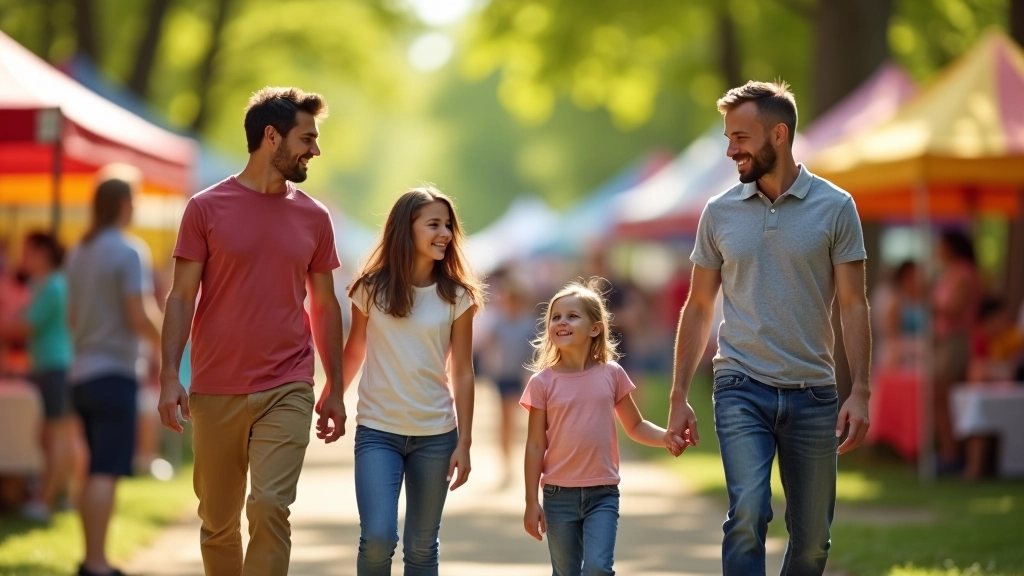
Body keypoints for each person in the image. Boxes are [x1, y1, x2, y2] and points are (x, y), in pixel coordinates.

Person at [664, 81, 871, 576]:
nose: (730, 149)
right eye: (728, 137)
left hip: (814, 393)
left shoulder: (836, 207)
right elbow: (698, 307)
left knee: (813, 542)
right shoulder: (718, 212)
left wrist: (860, 389)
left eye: (741, 137)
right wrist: (677, 395)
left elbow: (853, 304)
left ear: (778, 134)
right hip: (740, 385)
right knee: (748, 514)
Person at [157, 87, 345, 576]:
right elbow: (181, 297)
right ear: (271, 136)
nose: (315, 151)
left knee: (268, 507)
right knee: (218, 524)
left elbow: (325, 305)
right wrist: (167, 377)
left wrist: (336, 387)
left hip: (288, 383)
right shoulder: (205, 208)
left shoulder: (314, 216)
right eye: (307, 138)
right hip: (216, 384)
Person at [321, 186, 481, 575]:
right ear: (405, 229)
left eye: (448, 225)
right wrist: (333, 397)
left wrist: (465, 441)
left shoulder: (457, 296)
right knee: (377, 538)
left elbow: (462, 369)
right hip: (378, 431)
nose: (444, 233)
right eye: (433, 224)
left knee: (422, 549)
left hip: (436, 435)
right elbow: (354, 350)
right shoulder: (369, 288)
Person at [521, 278, 686, 576]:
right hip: (559, 495)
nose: (562, 322)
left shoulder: (612, 374)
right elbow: (535, 445)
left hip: (603, 493)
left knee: (598, 568)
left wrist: (666, 437)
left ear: (595, 328)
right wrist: (531, 500)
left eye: (572, 316)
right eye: (555, 317)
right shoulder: (542, 383)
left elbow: (634, 425)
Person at [66, 165, 164, 576]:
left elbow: (71, 318)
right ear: (125, 204)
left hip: (81, 372)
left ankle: (91, 558)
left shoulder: (78, 252)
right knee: (107, 469)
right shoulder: (128, 250)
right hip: (115, 373)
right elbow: (138, 314)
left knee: (93, 470)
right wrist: (167, 343)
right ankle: (97, 562)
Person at [0, 232, 75, 522]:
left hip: (55, 367)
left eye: (28, 252)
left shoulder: (54, 285)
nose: (23, 257)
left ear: (43, 253)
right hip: (45, 366)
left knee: (55, 435)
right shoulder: (41, 284)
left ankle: (46, 500)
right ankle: (52, 496)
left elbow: (22, 327)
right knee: (47, 436)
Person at [478, 270, 537, 485]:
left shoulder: (527, 324)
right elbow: (487, 346)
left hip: (520, 376)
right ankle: (506, 461)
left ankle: (517, 456)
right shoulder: (499, 324)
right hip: (502, 375)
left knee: (517, 419)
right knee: (505, 418)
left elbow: (534, 351)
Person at [931, 229, 981, 474]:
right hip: (943, 341)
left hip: (956, 341)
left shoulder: (963, 272)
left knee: (946, 395)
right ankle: (948, 451)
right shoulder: (949, 272)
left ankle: (953, 453)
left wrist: (928, 301)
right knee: (939, 396)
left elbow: (955, 308)